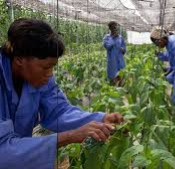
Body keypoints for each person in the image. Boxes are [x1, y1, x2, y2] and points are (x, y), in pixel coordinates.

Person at [0, 18, 124, 169]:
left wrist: (102, 118)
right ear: (19, 59)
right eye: (45, 67)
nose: (50, 74)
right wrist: (68, 137)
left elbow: (58, 110)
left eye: (52, 67)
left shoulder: (38, 77)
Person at [103, 21, 126, 85]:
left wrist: (123, 50)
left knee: (121, 77)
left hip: (120, 60)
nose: (115, 29)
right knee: (112, 77)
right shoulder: (107, 37)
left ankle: (121, 89)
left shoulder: (120, 37)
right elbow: (107, 46)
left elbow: (124, 48)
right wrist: (113, 38)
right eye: (113, 28)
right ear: (110, 28)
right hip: (112, 61)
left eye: (116, 28)